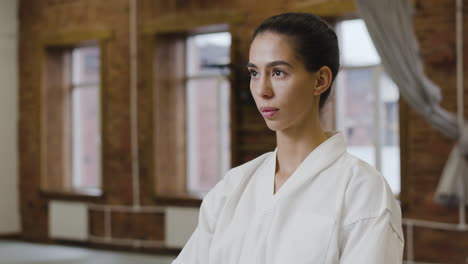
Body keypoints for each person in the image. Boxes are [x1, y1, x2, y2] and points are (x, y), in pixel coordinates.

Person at [172, 12, 404, 264]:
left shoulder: (362, 191)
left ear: (320, 80)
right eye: (254, 73)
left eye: (279, 72)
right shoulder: (233, 187)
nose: (262, 91)